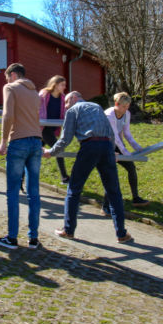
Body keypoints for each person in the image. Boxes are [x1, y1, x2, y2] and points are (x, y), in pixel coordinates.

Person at [46, 91, 133, 243]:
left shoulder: (73, 110)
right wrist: (112, 150)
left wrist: (51, 152)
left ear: (74, 98)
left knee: (74, 189)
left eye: (66, 102)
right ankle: (121, 233)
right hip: (106, 146)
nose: (65, 107)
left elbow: (65, 139)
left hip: (89, 146)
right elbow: (111, 132)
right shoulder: (97, 107)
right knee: (114, 192)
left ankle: (68, 229)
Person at [0, 63, 43, 250]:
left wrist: (3, 140)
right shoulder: (34, 92)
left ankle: (12, 237)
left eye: (7, 77)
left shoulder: (10, 87)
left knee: (13, 192)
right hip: (36, 142)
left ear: (13, 75)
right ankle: (33, 238)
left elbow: (7, 115)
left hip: (19, 142)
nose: (6, 81)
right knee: (34, 193)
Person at [103, 92, 149, 211]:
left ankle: (136, 198)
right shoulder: (109, 115)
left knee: (131, 168)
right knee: (111, 173)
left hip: (117, 144)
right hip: (105, 144)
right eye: (124, 106)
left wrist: (137, 147)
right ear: (117, 104)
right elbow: (114, 136)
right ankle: (105, 206)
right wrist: (125, 152)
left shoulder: (126, 114)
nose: (126, 109)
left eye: (128, 106)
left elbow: (127, 133)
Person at [39, 75, 70, 184]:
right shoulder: (44, 95)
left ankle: (21, 177)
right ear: (55, 85)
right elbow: (37, 109)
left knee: (33, 152)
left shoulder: (63, 97)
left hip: (53, 128)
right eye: (62, 85)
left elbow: (65, 112)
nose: (64, 87)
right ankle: (64, 177)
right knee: (58, 149)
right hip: (43, 129)